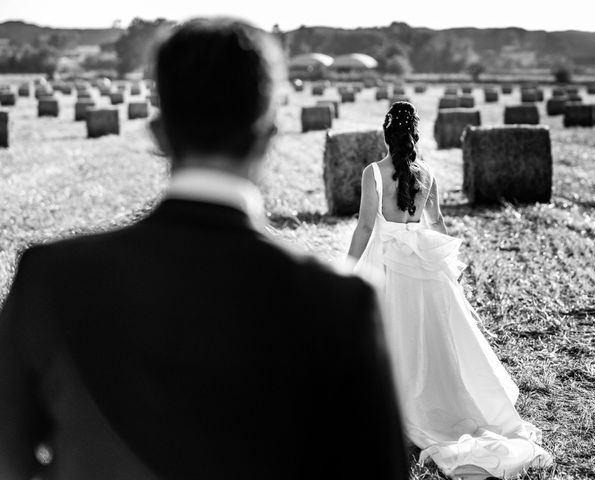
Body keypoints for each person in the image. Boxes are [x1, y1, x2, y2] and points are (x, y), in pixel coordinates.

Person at [0, 18, 408, 480]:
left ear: (159, 135)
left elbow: (9, 459)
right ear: (268, 137)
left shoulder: (49, 277)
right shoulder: (343, 302)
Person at [348, 101, 553, 479]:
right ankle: (445, 404)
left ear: (386, 136)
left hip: (391, 262)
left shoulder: (373, 173)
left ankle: (400, 407)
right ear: (415, 138)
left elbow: (364, 227)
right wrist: (448, 268)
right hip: (426, 262)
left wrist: (348, 268)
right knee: (436, 337)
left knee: (396, 335)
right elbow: (437, 221)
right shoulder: (425, 172)